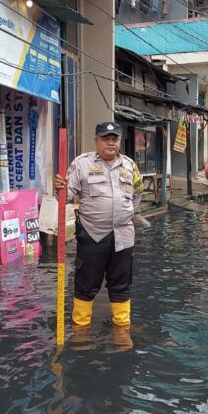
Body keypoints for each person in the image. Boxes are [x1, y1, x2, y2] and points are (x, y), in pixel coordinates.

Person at [54, 122, 143, 328]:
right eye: (105, 138)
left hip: (123, 235)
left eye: (115, 139)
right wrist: (59, 186)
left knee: (121, 284)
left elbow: (137, 195)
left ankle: (122, 329)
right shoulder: (82, 164)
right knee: (86, 285)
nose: (111, 143)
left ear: (120, 141)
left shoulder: (130, 165)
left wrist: (123, 213)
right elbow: (66, 195)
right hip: (92, 234)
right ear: (96, 141)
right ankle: (81, 330)